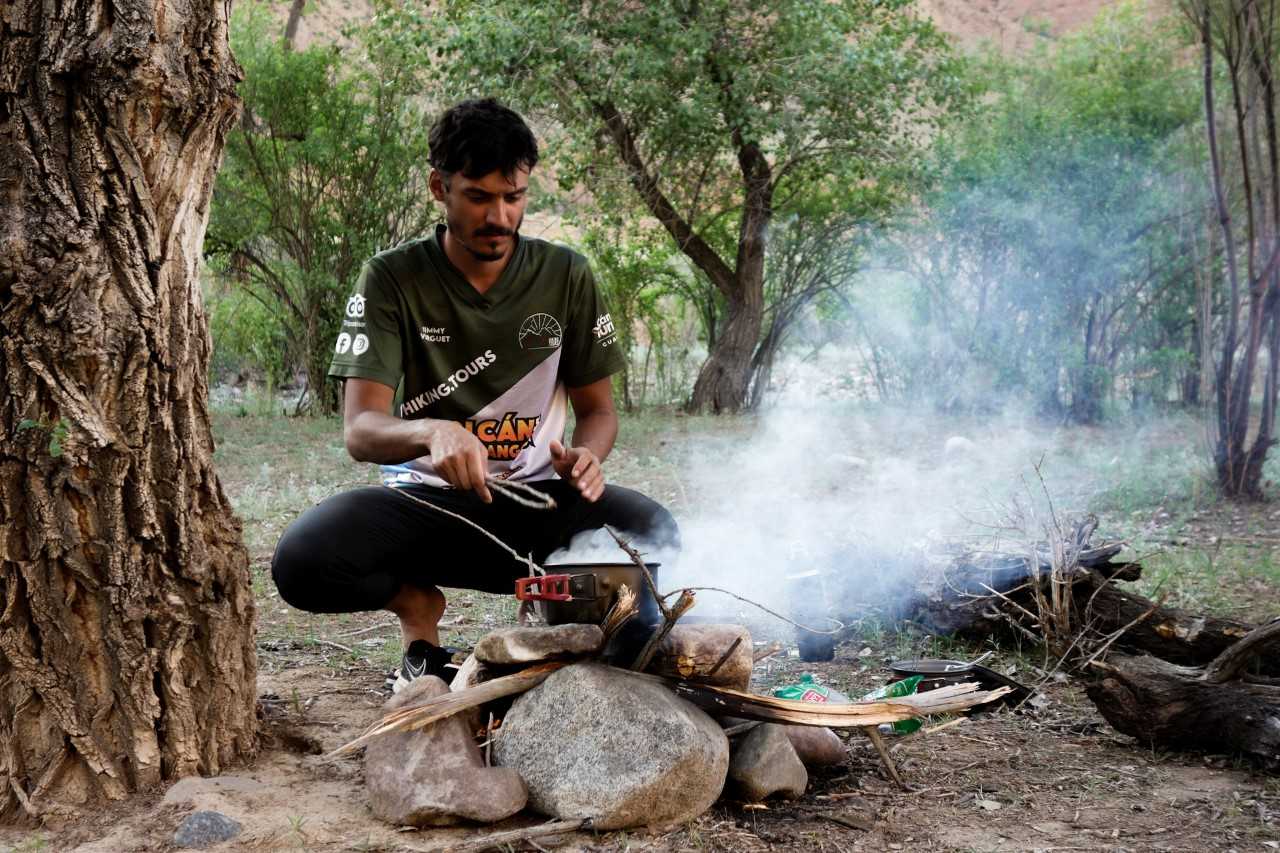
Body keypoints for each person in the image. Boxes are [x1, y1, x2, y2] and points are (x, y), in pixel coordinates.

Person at [271, 98, 677, 692]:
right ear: (440, 187)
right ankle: (418, 611)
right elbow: (361, 430)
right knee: (303, 560)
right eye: (479, 198)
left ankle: (570, 649)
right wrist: (431, 432)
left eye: (513, 197)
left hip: (539, 505)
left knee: (653, 531)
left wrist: (588, 458)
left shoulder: (566, 275)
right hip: (430, 508)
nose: (500, 216)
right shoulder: (392, 278)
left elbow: (600, 413)